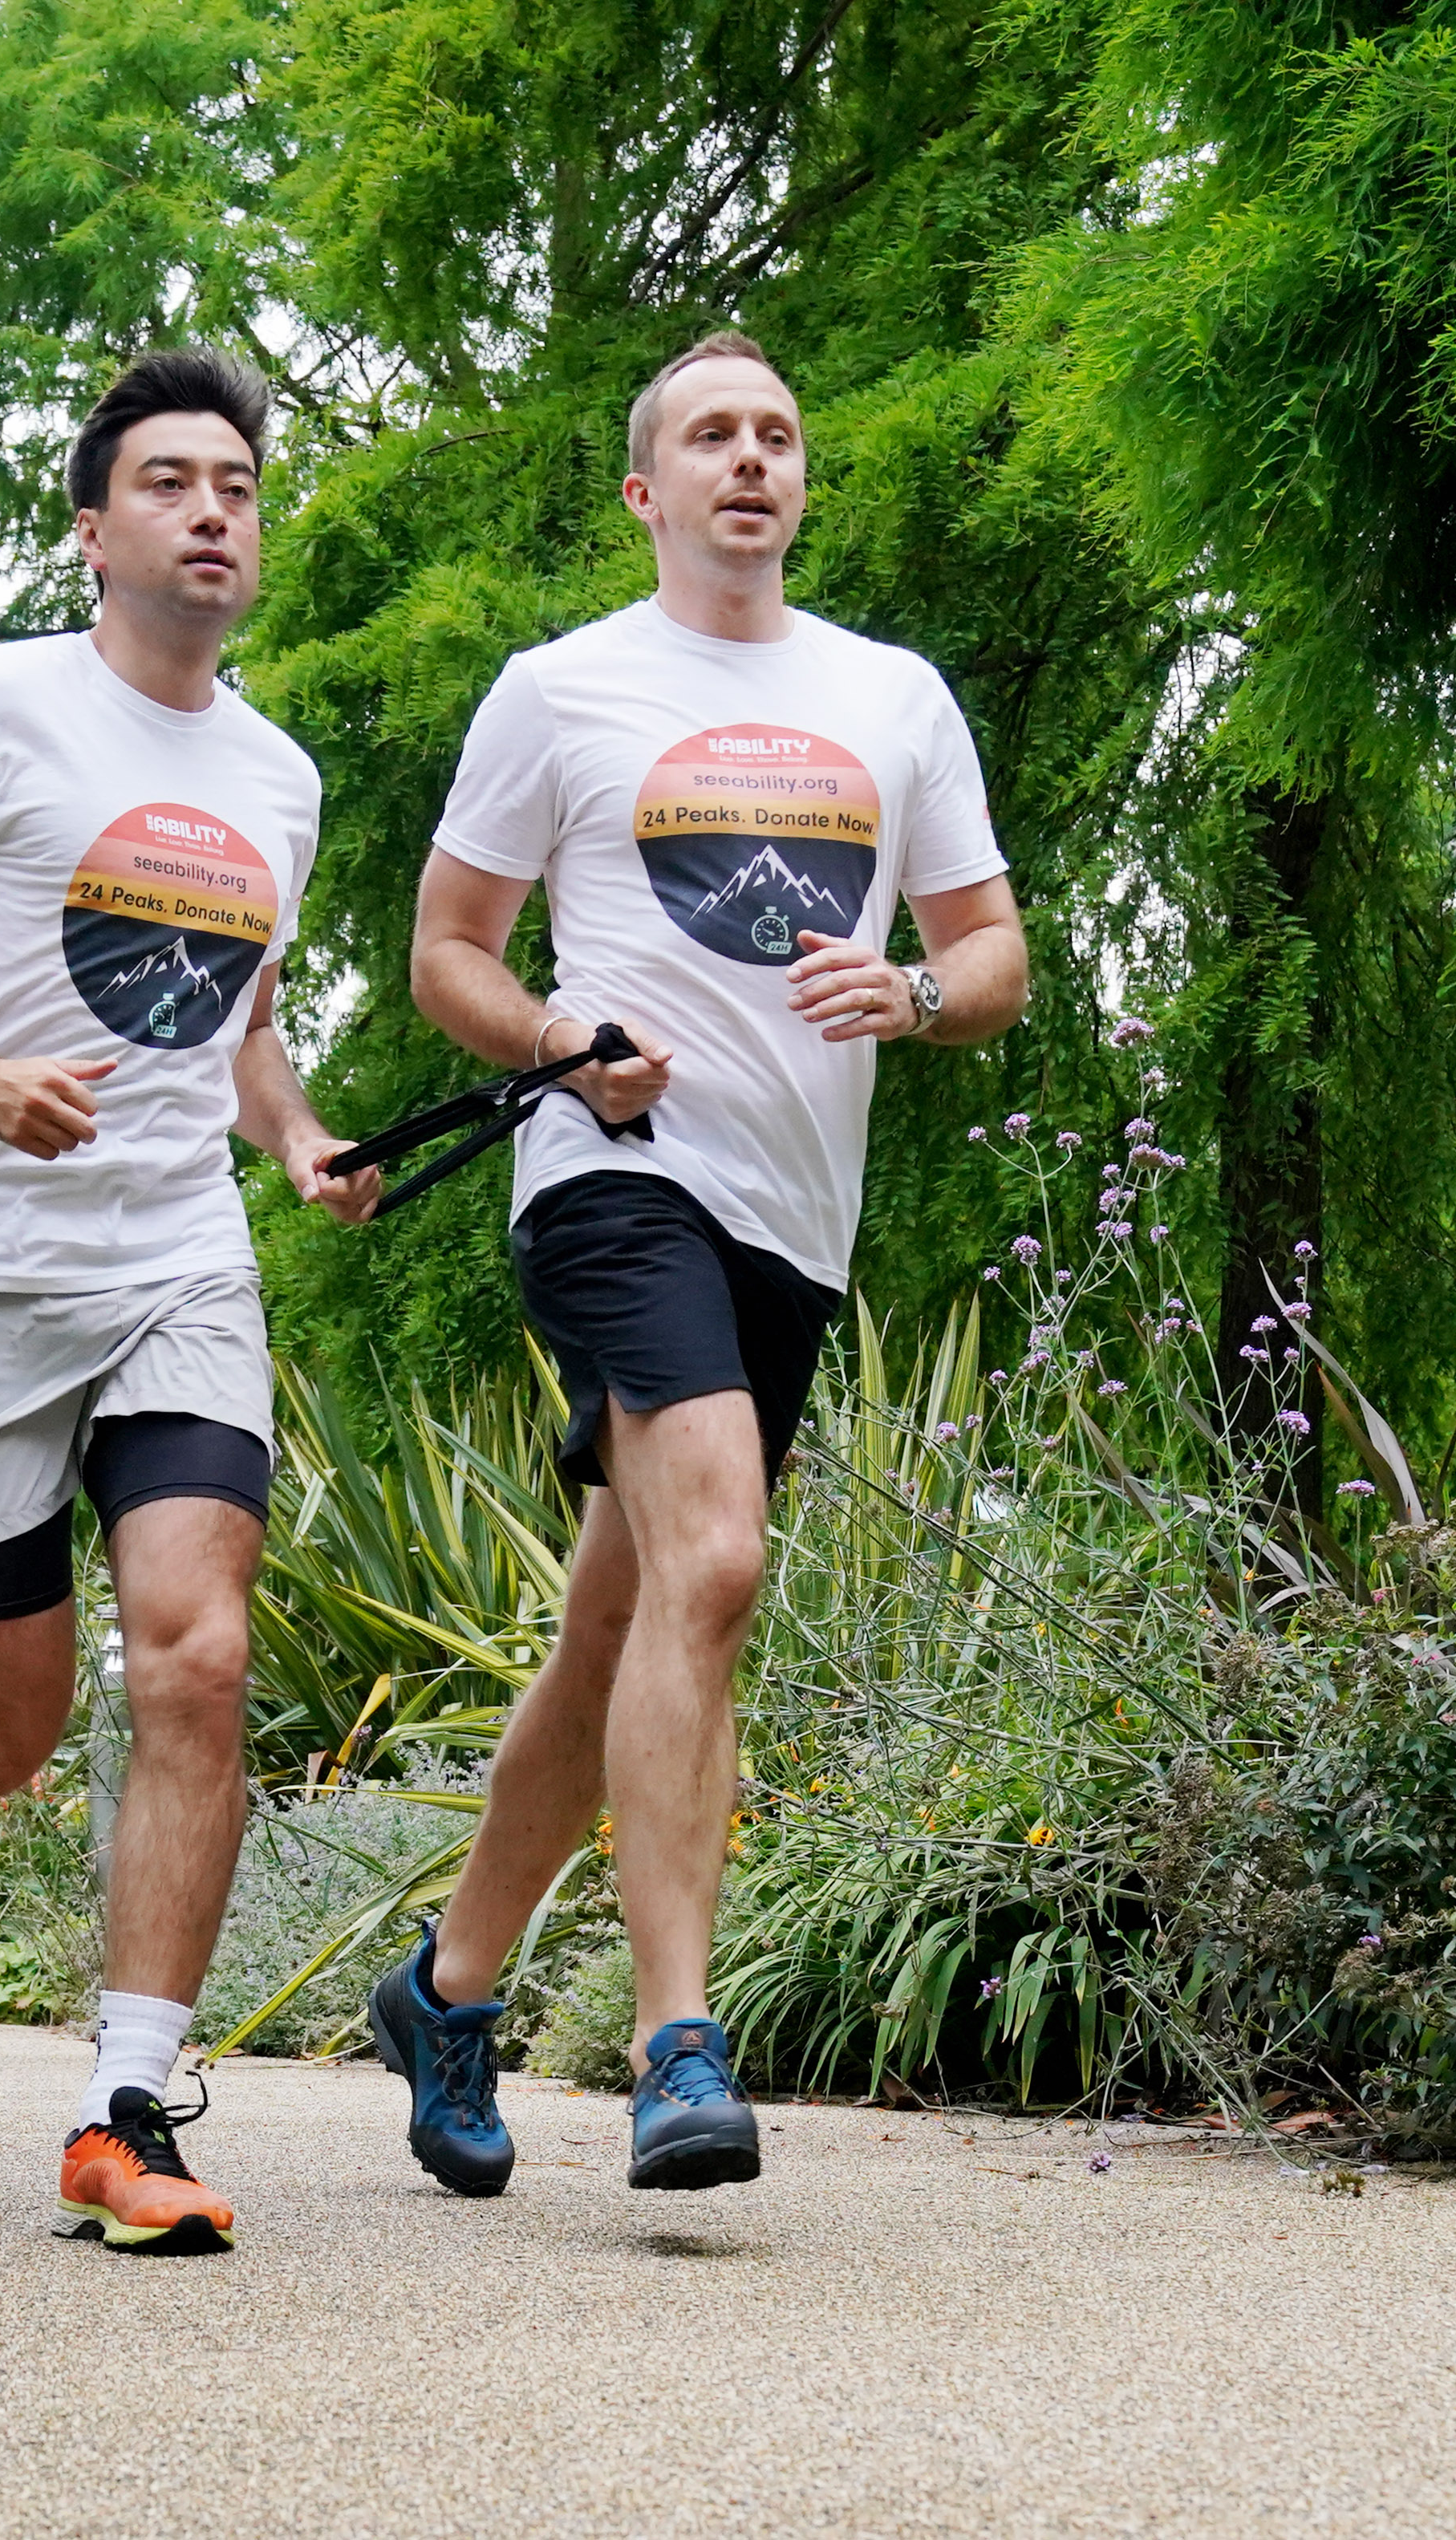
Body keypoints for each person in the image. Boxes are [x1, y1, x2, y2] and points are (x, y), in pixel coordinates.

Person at [367, 330, 1028, 2194]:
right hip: (612, 1169)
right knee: (719, 1553)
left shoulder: (894, 699)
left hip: (793, 1219)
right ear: (649, 492)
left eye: (779, 435)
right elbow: (450, 952)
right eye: (711, 437)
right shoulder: (563, 688)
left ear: (803, 484)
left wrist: (906, 987)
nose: (751, 458)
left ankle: (447, 1983)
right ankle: (678, 2045)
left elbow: (991, 957)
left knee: (618, 1621)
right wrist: (559, 1042)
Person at [0, 347, 379, 2255]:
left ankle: (128, 2105)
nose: (214, 510)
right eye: (172, 481)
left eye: (241, 486)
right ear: (95, 529)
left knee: (194, 1650)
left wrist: (297, 1139)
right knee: (9, 1739)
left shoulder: (279, 777)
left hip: (178, 1256)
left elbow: (241, 1033)